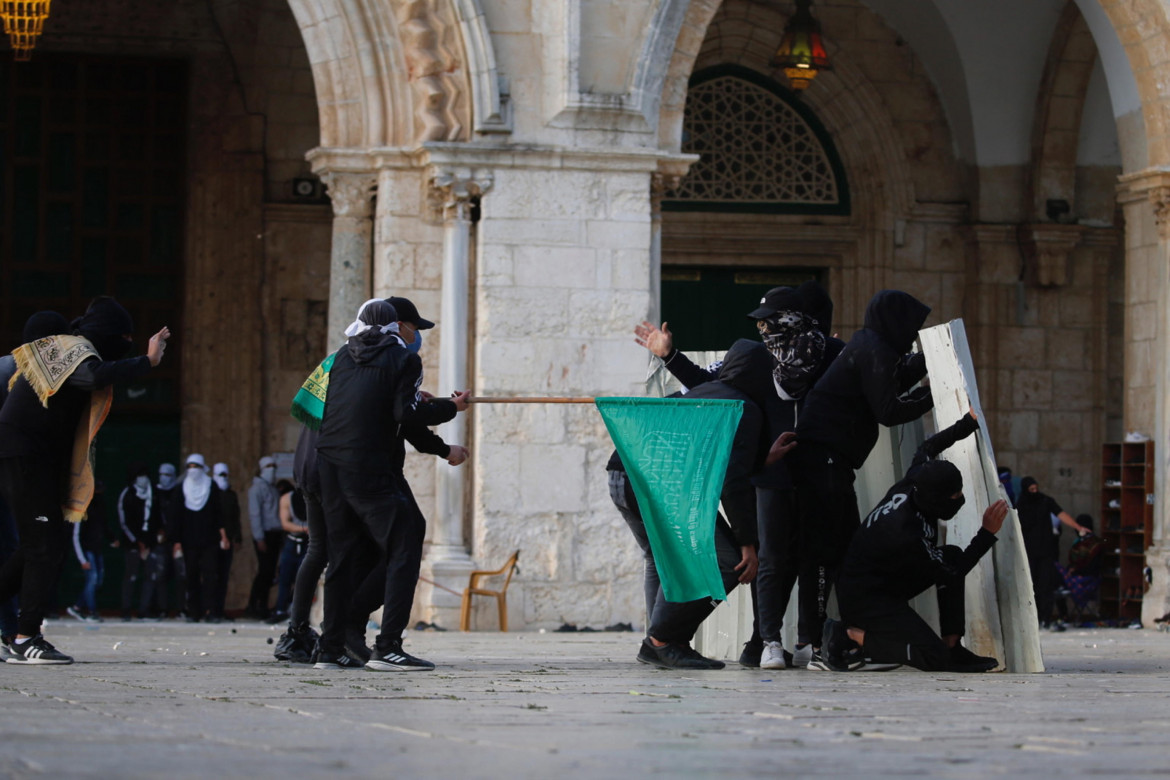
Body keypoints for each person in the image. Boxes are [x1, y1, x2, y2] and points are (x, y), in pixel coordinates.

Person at [633, 282, 844, 669]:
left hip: (806, 470)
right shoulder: (756, 357)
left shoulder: (828, 355)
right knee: (764, 558)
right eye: (761, 324)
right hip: (765, 472)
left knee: (808, 557)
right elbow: (714, 386)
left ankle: (797, 642)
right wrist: (670, 356)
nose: (766, 331)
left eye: (772, 322)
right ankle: (759, 643)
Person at [276, 298, 468, 664]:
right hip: (367, 468)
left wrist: (425, 412)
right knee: (406, 540)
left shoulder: (341, 358)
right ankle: (388, 646)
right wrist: (449, 408)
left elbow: (374, 409)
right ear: (398, 326)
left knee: (341, 554)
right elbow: (404, 415)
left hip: (328, 466)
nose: (416, 335)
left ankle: (330, 649)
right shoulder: (403, 359)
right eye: (414, 328)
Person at [0, 296, 169, 663]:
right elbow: (91, 375)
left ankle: (19, 634)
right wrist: (147, 361)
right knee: (44, 547)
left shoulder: (70, 348)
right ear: (106, 333)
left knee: (37, 545)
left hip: (33, 459)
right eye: (123, 336)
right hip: (24, 456)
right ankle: (26, 637)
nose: (126, 343)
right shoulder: (73, 349)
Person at [610, 340, 793, 669]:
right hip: (652, 483)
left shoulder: (708, 392)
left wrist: (762, 460)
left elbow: (718, 462)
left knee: (660, 559)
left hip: (621, 475)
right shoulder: (742, 408)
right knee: (730, 563)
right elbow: (732, 483)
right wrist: (747, 544)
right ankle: (661, 641)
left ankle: (667, 643)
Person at [787, 289, 934, 668]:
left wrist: (930, 360)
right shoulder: (874, 348)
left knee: (845, 552)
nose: (913, 335)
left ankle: (838, 641)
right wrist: (932, 395)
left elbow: (890, 383)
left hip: (830, 463)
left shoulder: (870, 346)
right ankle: (817, 644)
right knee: (825, 553)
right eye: (912, 327)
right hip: (823, 462)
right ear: (897, 322)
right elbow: (888, 410)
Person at [826, 411, 1009, 673]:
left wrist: (968, 423)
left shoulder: (916, 480)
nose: (960, 499)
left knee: (952, 554)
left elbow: (928, 447)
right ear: (936, 499)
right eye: (954, 496)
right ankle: (850, 636)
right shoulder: (906, 532)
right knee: (934, 658)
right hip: (864, 599)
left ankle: (952, 646)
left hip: (883, 580)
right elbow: (952, 573)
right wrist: (987, 533)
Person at [0, 311, 71, 653]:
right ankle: (15, 634)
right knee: (23, 548)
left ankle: (11, 633)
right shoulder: (32, 371)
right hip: (15, 469)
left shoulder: (10, 365)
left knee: (17, 549)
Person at [1016, 476, 1089, 628]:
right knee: (1032, 586)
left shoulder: (1045, 501)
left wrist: (1078, 527)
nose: (1035, 492)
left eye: (1036, 489)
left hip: (1046, 550)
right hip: (1029, 551)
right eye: (1031, 490)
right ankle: (1034, 619)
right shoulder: (1021, 505)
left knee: (1046, 585)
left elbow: (1060, 514)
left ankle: (1046, 618)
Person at [167, 454, 228, 622]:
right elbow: (175, 516)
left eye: (196, 467)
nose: (193, 470)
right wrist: (176, 541)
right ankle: (194, 611)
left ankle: (210, 611)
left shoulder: (211, 486)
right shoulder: (181, 488)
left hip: (210, 540)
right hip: (188, 541)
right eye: (190, 467)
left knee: (210, 576)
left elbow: (218, 513)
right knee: (191, 576)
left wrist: (223, 536)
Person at [116, 462, 162, 620]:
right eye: (140, 475)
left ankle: (144, 610)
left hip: (150, 544)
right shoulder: (127, 495)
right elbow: (124, 522)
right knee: (131, 577)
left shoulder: (153, 493)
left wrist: (155, 537)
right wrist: (137, 541)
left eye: (145, 474)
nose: (143, 478)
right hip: (133, 544)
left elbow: (157, 516)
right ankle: (126, 610)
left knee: (150, 577)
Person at [66, 480, 107, 622]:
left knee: (97, 581)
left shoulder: (99, 506)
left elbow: (103, 526)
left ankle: (77, 607)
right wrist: (82, 559)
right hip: (87, 551)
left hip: (96, 549)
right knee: (92, 579)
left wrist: (112, 539)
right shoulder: (81, 509)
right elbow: (75, 536)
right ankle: (91, 611)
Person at [141, 463, 178, 620]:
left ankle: (164, 608)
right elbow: (148, 516)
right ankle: (148, 608)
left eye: (167, 475)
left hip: (172, 540)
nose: (164, 478)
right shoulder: (153, 493)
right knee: (153, 576)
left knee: (167, 576)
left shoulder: (177, 493)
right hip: (154, 542)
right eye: (161, 474)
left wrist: (171, 534)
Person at [247, 455, 282, 619]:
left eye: (274, 466)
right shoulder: (256, 489)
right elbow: (255, 515)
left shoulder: (273, 488)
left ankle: (263, 606)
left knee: (269, 573)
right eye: (268, 466)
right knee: (264, 571)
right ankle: (254, 605)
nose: (272, 469)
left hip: (275, 533)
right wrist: (259, 537)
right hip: (264, 534)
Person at [270, 480, 306, 623]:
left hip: (308, 543)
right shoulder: (286, 499)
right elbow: (285, 524)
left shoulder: (317, 496)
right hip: (292, 541)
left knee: (303, 579)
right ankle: (280, 609)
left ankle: (298, 611)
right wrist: (304, 529)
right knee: (285, 577)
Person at [212, 462, 240, 619]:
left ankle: (219, 609)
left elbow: (235, 517)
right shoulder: (210, 493)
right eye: (220, 474)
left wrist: (237, 537)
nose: (223, 478)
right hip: (211, 541)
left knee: (223, 576)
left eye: (225, 474)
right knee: (211, 575)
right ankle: (209, 609)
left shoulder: (231, 495)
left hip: (228, 540)